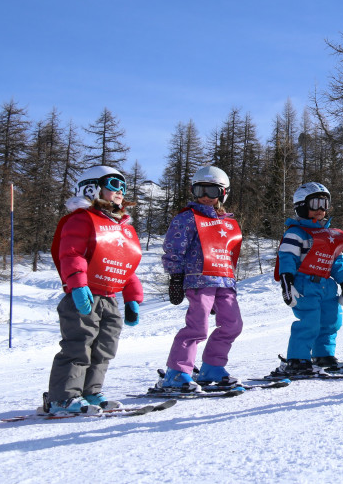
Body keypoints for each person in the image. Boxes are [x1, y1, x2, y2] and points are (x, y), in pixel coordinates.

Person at [46, 165, 143, 413]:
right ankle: (63, 397)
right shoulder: (82, 219)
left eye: (123, 186)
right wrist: (78, 285)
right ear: (91, 188)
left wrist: (132, 297)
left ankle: (90, 392)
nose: (120, 191)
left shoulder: (121, 226)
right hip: (84, 295)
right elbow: (71, 254)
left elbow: (125, 263)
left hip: (109, 297)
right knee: (78, 345)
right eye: (113, 184)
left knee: (104, 348)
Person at [158, 166, 243, 391]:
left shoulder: (227, 223)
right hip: (198, 280)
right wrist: (176, 277)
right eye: (199, 190)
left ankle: (212, 366)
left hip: (224, 281)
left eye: (211, 191)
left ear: (223, 194)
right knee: (198, 327)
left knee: (233, 324)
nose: (205, 196)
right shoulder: (187, 218)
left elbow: (229, 252)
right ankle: (176, 372)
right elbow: (174, 248)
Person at [271, 182, 343, 376]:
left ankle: (323, 355)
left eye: (325, 204)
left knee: (331, 321)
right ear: (301, 205)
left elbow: (336, 261)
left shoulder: (329, 235)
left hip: (327, 285)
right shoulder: (296, 233)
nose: (321, 209)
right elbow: (287, 258)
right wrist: (287, 282)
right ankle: (297, 359)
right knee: (310, 322)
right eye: (315, 203)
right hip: (305, 285)